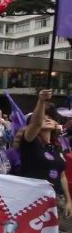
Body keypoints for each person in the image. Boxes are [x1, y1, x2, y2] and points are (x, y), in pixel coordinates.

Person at [20, 89, 72, 221]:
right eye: (44, 117)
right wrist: (41, 101)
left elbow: (62, 175)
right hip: (33, 200)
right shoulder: (29, 142)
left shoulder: (57, 147)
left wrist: (68, 200)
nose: (47, 118)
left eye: (51, 117)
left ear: (56, 124)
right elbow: (36, 123)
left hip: (55, 200)